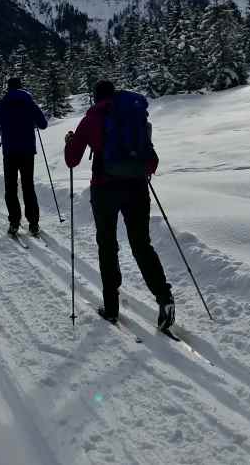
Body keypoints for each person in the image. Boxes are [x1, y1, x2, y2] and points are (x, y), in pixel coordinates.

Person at [64, 80, 175, 330]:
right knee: (141, 244)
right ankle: (164, 297)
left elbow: (72, 160)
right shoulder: (133, 115)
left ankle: (111, 308)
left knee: (107, 244)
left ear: (95, 97)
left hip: (104, 188)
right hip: (136, 186)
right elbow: (151, 161)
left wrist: (70, 141)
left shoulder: (92, 117)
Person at [0, 77, 48, 238]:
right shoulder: (29, 102)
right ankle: (34, 223)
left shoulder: (2, 104)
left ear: (8, 88)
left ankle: (14, 222)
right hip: (28, 151)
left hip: (9, 151)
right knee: (28, 186)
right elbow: (43, 124)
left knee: (11, 187)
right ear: (21, 87)